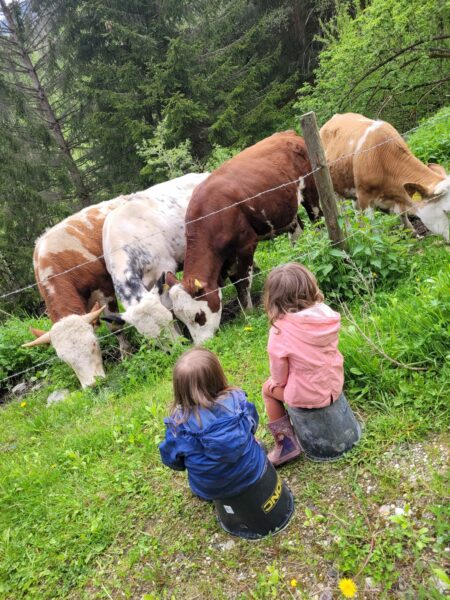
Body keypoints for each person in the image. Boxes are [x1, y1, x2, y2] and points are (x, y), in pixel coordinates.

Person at [262, 262, 345, 466]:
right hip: (334, 383)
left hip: (308, 394)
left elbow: (279, 376)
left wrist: (276, 382)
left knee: (268, 389)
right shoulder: (325, 314)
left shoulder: (280, 331)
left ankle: (286, 446)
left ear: (273, 299)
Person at [159, 348, 266, 501]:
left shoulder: (179, 427)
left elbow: (172, 460)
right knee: (258, 445)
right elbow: (253, 426)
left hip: (212, 490)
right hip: (253, 473)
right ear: (218, 376)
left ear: (179, 389)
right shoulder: (239, 403)